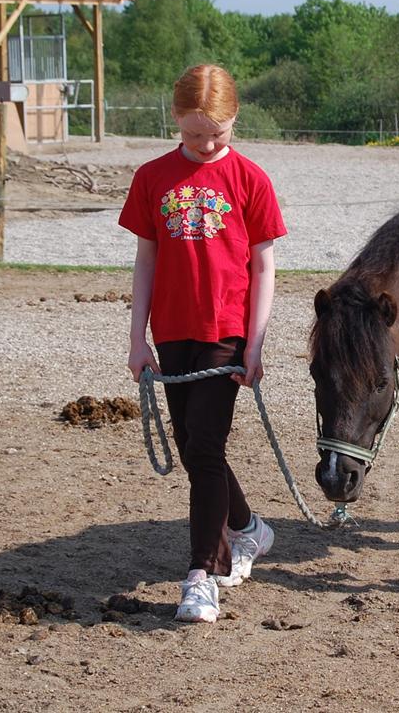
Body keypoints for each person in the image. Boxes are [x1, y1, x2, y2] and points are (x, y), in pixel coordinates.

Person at [119, 64, 286, 623]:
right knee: (193, 446)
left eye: (217, 133)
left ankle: (203, 574)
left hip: (227, 334)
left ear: (234, 120)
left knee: (206, 446)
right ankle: (250, 529)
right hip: (171, 332)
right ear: (175, 121)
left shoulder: (250, 180)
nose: (206, 144)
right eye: (193, 134)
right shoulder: (152, 178)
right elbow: (146, 260)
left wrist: (256, 343)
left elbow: (264, 267)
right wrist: (137, 337)